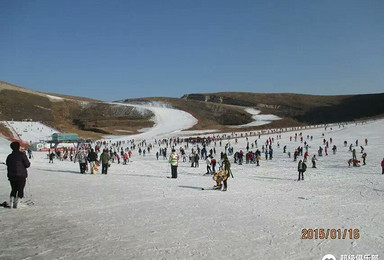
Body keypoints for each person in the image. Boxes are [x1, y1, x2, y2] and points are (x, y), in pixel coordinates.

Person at [6, 142, 31, 208]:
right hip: (21, 175)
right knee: (20, 189)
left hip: (11, 175)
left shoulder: (9, 156)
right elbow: (27, 164)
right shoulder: (22, 155)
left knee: (13, 189)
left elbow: (7, 164)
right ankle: (19, 203)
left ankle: (12, 202)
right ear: (18, 147)